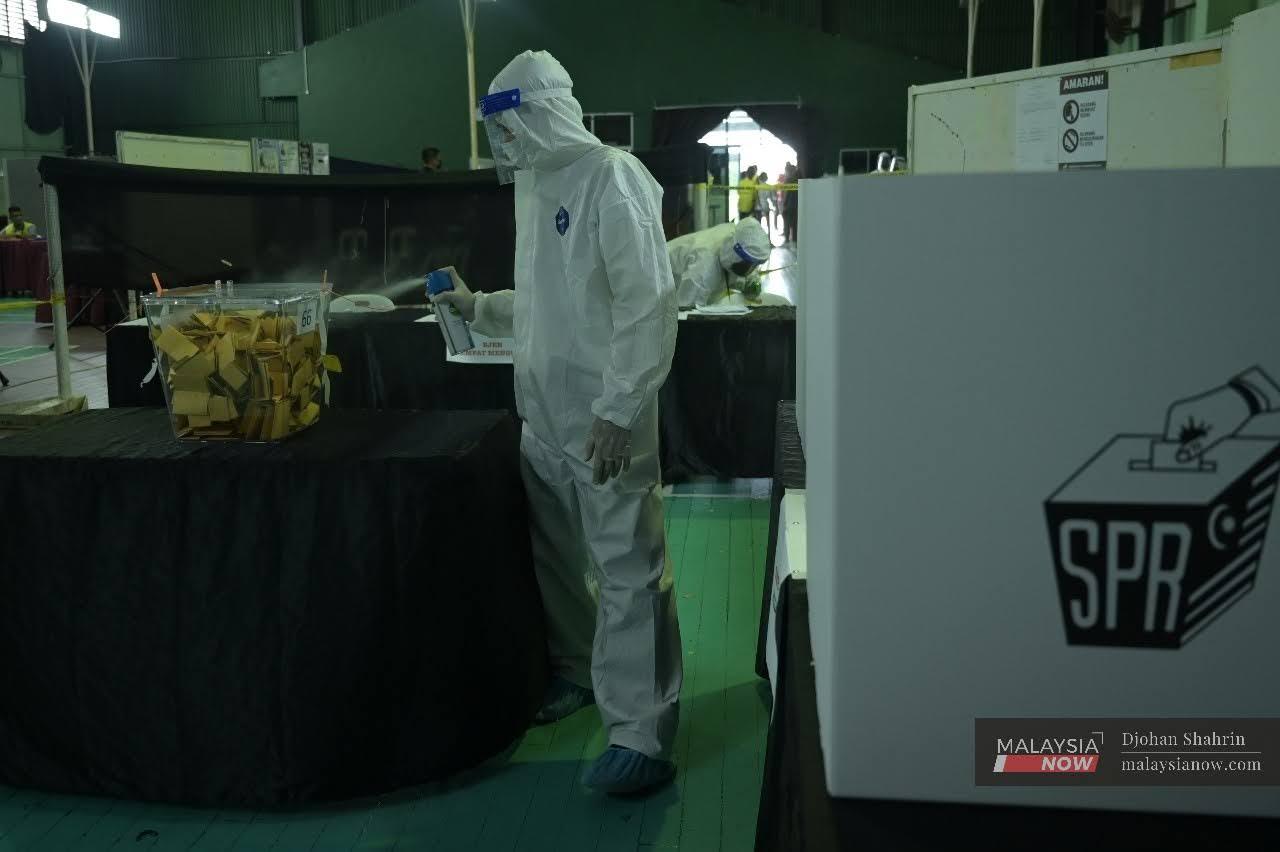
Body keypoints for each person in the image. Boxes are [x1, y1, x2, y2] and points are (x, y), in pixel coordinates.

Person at [431, 50, 681, 796]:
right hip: (542, 415)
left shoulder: (612, 176)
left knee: (627, 568)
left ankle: (642, 731)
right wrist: (483, 308)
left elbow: (647, 301)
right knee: (557, 559)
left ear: (538, 114)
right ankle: (574, 669)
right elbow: (551, 299)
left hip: (605, 420)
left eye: (508, 128)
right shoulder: (537, 187)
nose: (503, 147)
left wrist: (619, 408)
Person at [667, 217, 770, 308]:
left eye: (755, 265)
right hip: (658, 285)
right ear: (736, 254)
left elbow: (737, 267)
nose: (752, 270)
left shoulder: (733, 237)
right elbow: (686, 314)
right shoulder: (703, 269)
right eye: (750, 265)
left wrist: (751, 282)